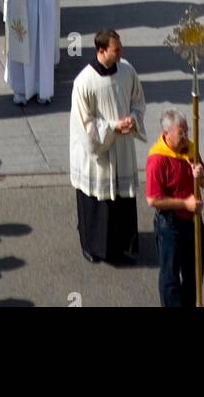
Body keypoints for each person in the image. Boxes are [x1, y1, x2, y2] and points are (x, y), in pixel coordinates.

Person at [70, 29, 145, 266]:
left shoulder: (127, 71)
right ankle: (92, 245)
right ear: (101, 50)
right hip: (99, 154)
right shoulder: (84, 82)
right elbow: (85, 124)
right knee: (97, 202)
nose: (121, 53)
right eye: (116, 49)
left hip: (122, 148)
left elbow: (138, 100)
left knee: (122, 201)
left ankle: (124, 246)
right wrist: (113, 126)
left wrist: (133, 118)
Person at [145, 109, 204, 308]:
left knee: (194, 273)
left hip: (193, 222)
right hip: (170, 225)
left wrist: (200, 176)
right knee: (170, 277)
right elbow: (153, 200)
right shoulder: (157, 159)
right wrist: (185, 204)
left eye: (186, 132)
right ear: (166, 135)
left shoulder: (190, 149)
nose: (185, 138)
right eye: (180, 134)